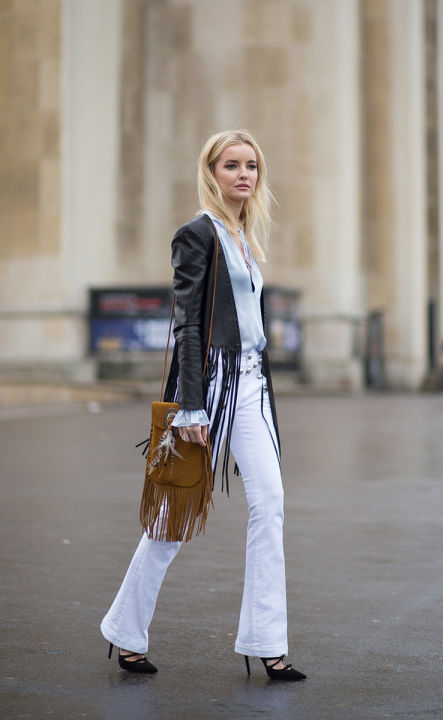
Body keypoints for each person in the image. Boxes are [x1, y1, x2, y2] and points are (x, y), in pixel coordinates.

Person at [100, 130, 306, 681]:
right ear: (211, 172)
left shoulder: (245, 237)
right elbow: (189, 325)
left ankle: (267, 643)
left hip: (253, 385)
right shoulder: (197, 235)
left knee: (271, 502)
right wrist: (191, 407)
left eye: (252, 166)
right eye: (231, 165)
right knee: (174, 511)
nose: (243, 174)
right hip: (209, 384)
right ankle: (125, 630)